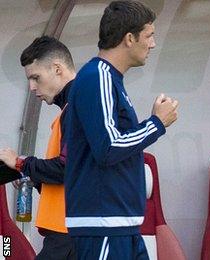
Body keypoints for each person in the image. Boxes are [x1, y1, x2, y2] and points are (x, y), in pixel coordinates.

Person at [63, 1, 178, 259]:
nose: (153, 44)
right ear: (129, 38)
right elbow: (109, 147)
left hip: (121, 225)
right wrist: (156, 124)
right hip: (103, 224)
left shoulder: (109, 78)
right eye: (149, 36)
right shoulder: (98, 76)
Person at [0, 36, 76, 259]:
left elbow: (67, 168)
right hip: (63, 231)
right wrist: (33, 176)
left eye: (36, 77)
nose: (32, 87)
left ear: (57, 68)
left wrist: (22, 163)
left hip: (68, 234)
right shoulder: (69, 110)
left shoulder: (76, 109)